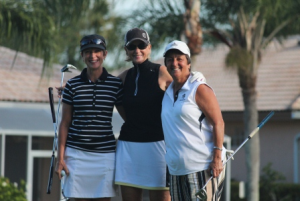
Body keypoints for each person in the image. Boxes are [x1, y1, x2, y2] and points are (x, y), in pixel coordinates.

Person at [114, 28, 205, 201]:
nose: (137, 50)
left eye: (141, 45)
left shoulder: (162, 71)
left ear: (149, 48)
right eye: (132, 46)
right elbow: (102, 87)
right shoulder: (124, 77)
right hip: (128, 148)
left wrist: (197, 77)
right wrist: (72, 88)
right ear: (126, 50)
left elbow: (186, 83)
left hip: (159, 148)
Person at [55, 34, 124, 201]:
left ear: (105, 54)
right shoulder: (72, 85)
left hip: (105, 155)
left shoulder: (115, 85)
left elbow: (128, 117)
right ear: (82, 56)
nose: (93, 56)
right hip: (76, 155)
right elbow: (64, 124)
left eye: (97, 51)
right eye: (88, 52)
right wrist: (60, 158)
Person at [161, 40, 226, 201]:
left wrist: (217, 158)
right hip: (176, 170)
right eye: (170, 59)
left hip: (201, 167)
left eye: (179, 58)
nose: (174, 63)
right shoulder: (167, 92)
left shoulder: (199, 88)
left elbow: (219, 122)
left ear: (188, 63)